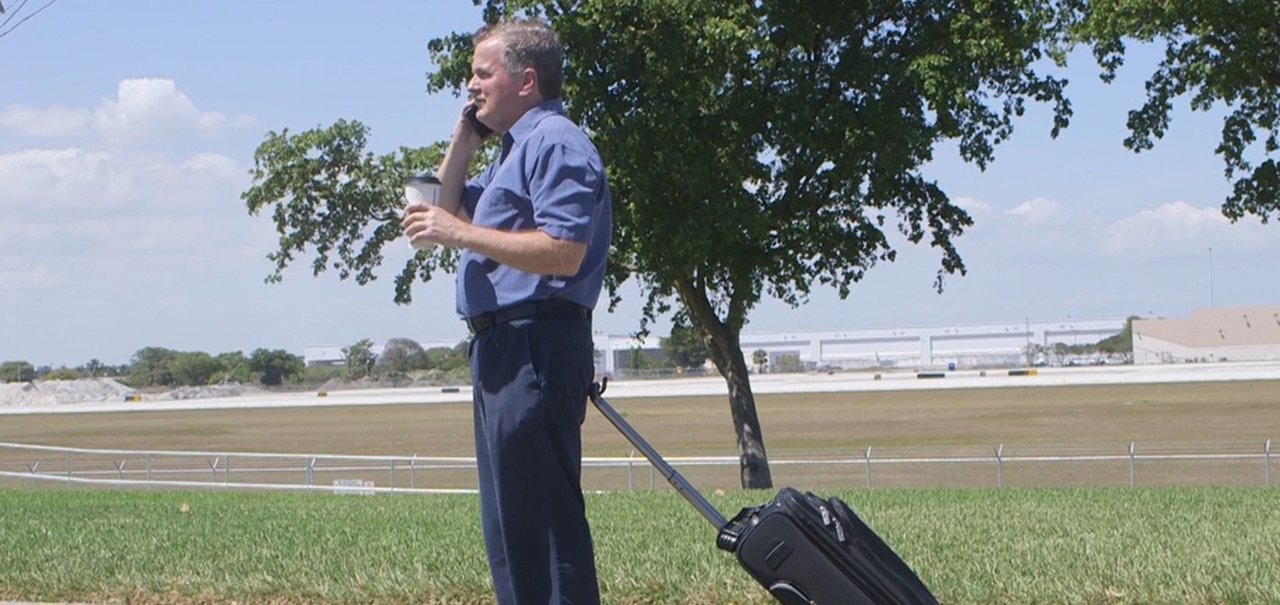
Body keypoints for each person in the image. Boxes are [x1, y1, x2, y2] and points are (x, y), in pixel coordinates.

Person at [401, 18, 611, 605]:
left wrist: (458, 233)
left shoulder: (557, 143)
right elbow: (445, 209)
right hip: (499, 349)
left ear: (526, 80)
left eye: (482, 73)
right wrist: (462, 143)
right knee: (509, 528)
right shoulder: (511, 153)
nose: (471, 85)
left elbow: (564, 252)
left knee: (543, 524)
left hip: (535, 343)